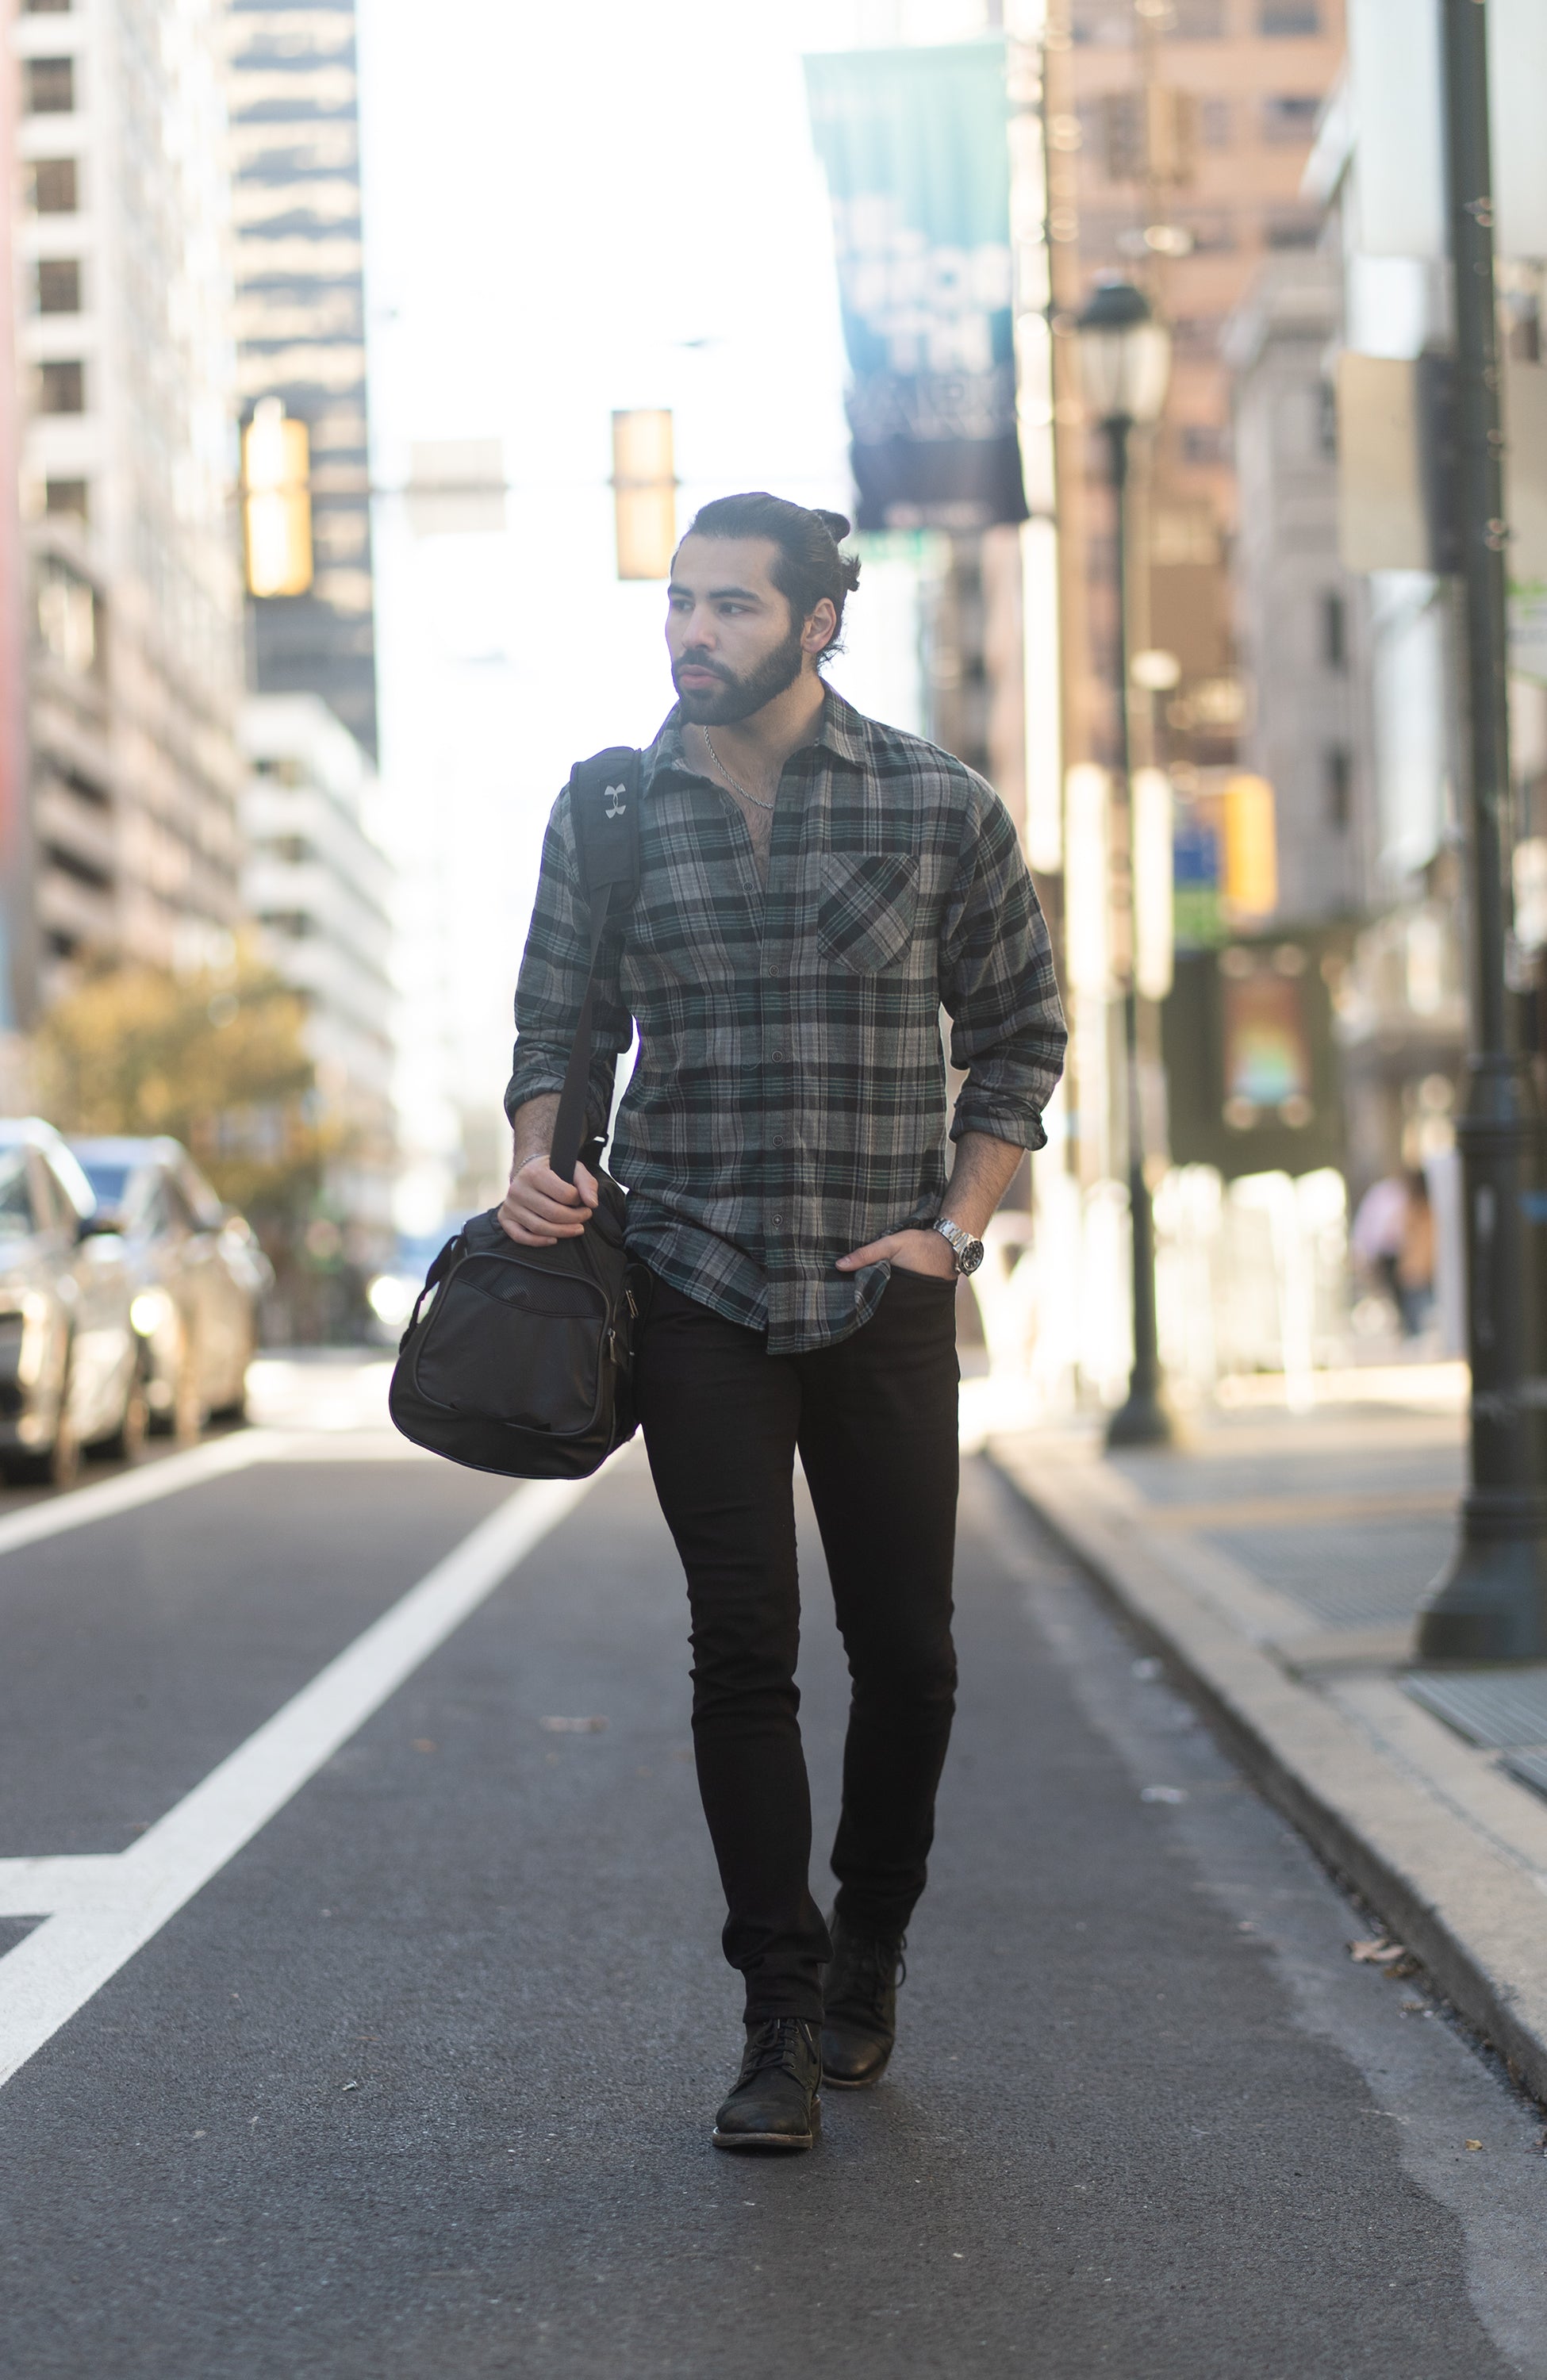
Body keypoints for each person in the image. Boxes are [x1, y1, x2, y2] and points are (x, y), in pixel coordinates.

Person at [501, 492, 1066, 2152]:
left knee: (910, 1656)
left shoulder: (937, 805)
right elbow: (557, 1024)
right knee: (740, 1645)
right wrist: (538, 1160)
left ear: (817, 622)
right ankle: (778, 2016)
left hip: (880, 1285)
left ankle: (869, 1946)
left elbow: (1021, 1031)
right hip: (690, 1278)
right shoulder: (611, 809)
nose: (694, 632)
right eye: (681, 602)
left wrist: (953, 1231)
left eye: (733, 606)